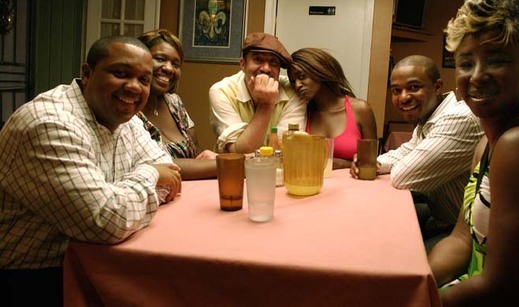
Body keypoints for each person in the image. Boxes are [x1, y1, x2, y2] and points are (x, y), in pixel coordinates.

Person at [0, 36, 182, 307]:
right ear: (87, 73)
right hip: (33, 278)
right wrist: (150, 176)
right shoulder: (49, 123)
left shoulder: (122, 116)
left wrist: (126, 193)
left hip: (96, 263)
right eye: (121, 73)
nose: (133, 87)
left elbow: (169, 169)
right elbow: (107, 222)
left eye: (144, 80)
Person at [428, 0, 519, 305]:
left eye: (497, 61)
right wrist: (418, 282)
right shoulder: (488, 142)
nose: (477, 75)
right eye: (466, 63)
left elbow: (506, 290)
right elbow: (462, 240)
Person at [350, 55, 483, 240]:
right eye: (396, 90)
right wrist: (372, 161)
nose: (403, 98)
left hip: (466, 237)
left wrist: (378, 165)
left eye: (414, 87)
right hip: (441, 220)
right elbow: (404, 152)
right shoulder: (428, 119)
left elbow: (404, 177)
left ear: (437, 87)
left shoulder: (457, 118)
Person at [137, 29, 217, 180]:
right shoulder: (129, 109)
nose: (169, 68)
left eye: (176, 64)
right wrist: (231, 164)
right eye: (160, 59)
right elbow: (162, 166)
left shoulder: (174, 102)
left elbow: (196, 155)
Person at [209, 32, 306, 153]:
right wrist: (266, 105)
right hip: (234, 171)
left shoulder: (292, 92)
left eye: (273, 62)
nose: (266, 68)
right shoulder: (222, 91)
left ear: (279, 69)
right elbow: (238, 151)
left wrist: (266, 102)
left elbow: (286, 151)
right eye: (258, 59)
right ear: (243, 64)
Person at [287, 47, 377, 169]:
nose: (297, 85)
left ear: (319, 71)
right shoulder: (303, 114)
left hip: (354, 186)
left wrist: (336, 163)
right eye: (293, 82)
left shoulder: (361, 110)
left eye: (302, 76)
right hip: (311, 186)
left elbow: (371, 165)